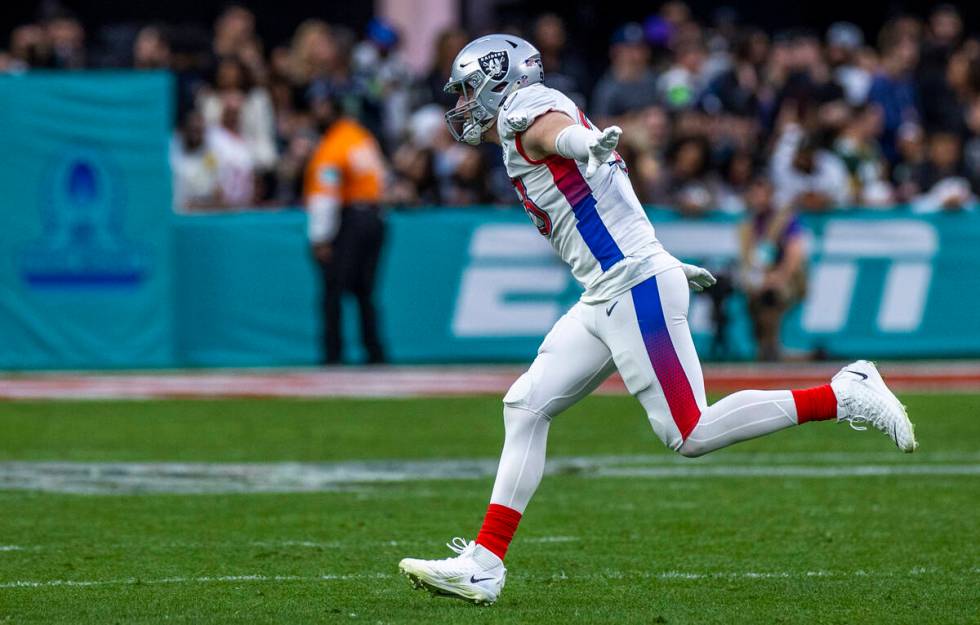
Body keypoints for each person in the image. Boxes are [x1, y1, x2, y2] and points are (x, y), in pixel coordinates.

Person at [398, 34, 918, 606]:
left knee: (689, 433)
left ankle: (845, 393)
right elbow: (605, 192)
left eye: (472, 89)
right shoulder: (534, 112)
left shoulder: (529, 108)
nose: (466, 104)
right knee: (525, 405)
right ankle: (485, 564)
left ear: (502, 80)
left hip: (631, 286)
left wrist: (584, 143)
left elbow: (554, 132)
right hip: (609, 290)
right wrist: (658, 254)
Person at [303, 83, 387, 364]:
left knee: (333, 290)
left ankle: (333, 354)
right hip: (375, 217)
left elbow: (325, 197)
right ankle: (374, 351)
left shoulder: (332, 147)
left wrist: (320, 237)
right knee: (365, 291)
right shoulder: (360, 136)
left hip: (351, 218)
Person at [737, 177, 807, 361]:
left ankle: (771, 347)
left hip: (784, 279)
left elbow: (795, 252)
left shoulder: (784, 221)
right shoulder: (748, 226)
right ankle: (766, 346)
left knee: (771, 298)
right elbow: (747, 259)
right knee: (755, 302)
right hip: (759, 277)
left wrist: (779, 277)